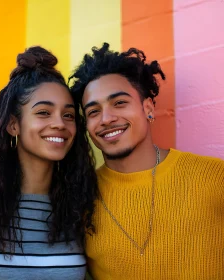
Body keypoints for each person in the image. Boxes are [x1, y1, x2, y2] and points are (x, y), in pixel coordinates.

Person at [69, 42, 224, 280]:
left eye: (119, 103)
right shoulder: (80, 199)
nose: (107, 118)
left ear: (148, 108)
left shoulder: (215, 176)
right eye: (93, 112)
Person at [0, 46, 98, 279]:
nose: (60, 123)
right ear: (13, 125)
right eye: (44, 112)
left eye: (68, 115)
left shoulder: (78, 210)